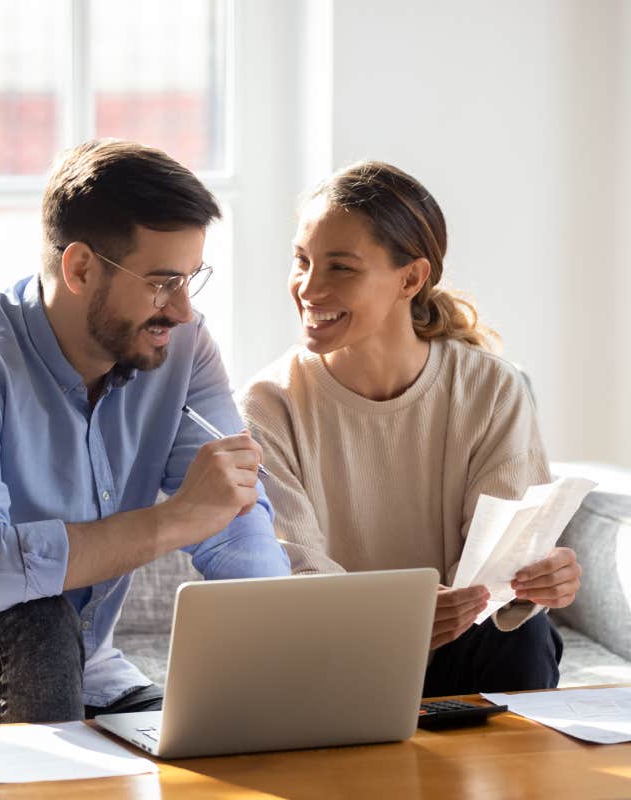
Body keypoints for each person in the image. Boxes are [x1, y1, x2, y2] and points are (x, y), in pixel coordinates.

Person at [0, 139, 290, 729]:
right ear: (79, 268)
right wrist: (173, 519)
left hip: (82, 667)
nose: (180, 310)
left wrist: (291, 640)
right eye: (161, 282)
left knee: (222, 743)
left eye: (190, 280)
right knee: (35, 617)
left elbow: (233, 518)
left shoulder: (182, 348)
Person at [237, 161, 581, 695]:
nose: (308, 287)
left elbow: (501, 568)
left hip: (466, 643)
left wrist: (536, 581)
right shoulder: (268, 404)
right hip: (335, 653)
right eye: (301, 261)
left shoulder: (492, 389)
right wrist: (401, 617)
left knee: (522, 636)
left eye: (340, 268)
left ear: (411, 278)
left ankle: (518, 778)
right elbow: (294, 575)